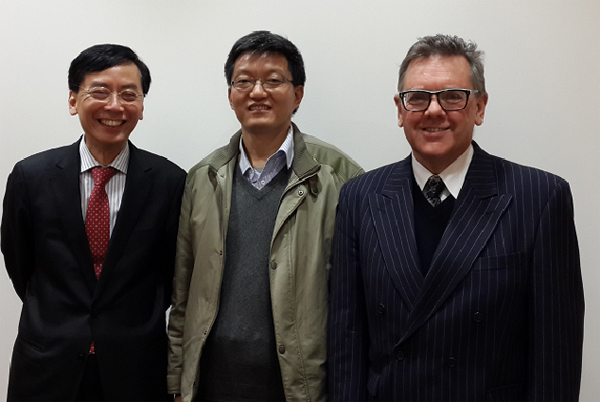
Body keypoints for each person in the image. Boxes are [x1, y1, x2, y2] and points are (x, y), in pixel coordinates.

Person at [328, 34, 584, 401]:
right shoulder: (360, 198)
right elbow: (347, 341)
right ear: (400, 110)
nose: (434, 111)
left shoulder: (540, 198)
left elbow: (555, 357)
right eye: (418, 98)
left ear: (480, 107)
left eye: (452, 97)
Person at [167, 30, 363, 402]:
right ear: (230, 95)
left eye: (273, 81)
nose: (257, 92)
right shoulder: (203, 178)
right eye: (244, 81)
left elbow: (358, 302)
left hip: (299, 386)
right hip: (212, 383)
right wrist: (178, 381)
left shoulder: (340, 177)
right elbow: (183, 292)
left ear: (298, 94)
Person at [1, 44, 186, 401]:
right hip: (46, 366)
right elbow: (20, 264)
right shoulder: (31, 177)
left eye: (129, 94)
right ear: (73, 100)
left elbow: (170, 274)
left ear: (142, 106)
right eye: (100, 92)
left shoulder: (169, 182)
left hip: (135, 369)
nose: (115, 106)